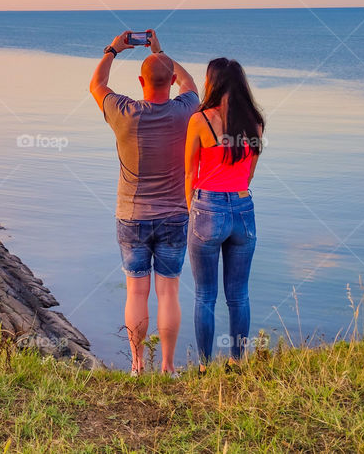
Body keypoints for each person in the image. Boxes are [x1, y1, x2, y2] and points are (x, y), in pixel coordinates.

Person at [90, 29, 199, 376]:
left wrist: (114, 49)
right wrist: (161, 52)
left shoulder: (124, 111)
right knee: (169, 294)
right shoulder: (186, 111)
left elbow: (96, 84)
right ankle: (167, 367)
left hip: (131, 217)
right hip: (174, 217)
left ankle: (137, 367)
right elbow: (191, 83)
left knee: (136, 293)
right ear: (170, 82)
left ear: (140, 81)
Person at [184, 57, 265, 373]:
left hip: (208, 208)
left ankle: (203, 367)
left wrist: (193, 211)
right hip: (243, 209)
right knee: (239, 294)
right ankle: (236, 362)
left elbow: (190, 173)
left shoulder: (200, 121)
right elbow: (248, 177)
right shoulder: (255, 123)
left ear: (211, 83)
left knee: (205, 295)